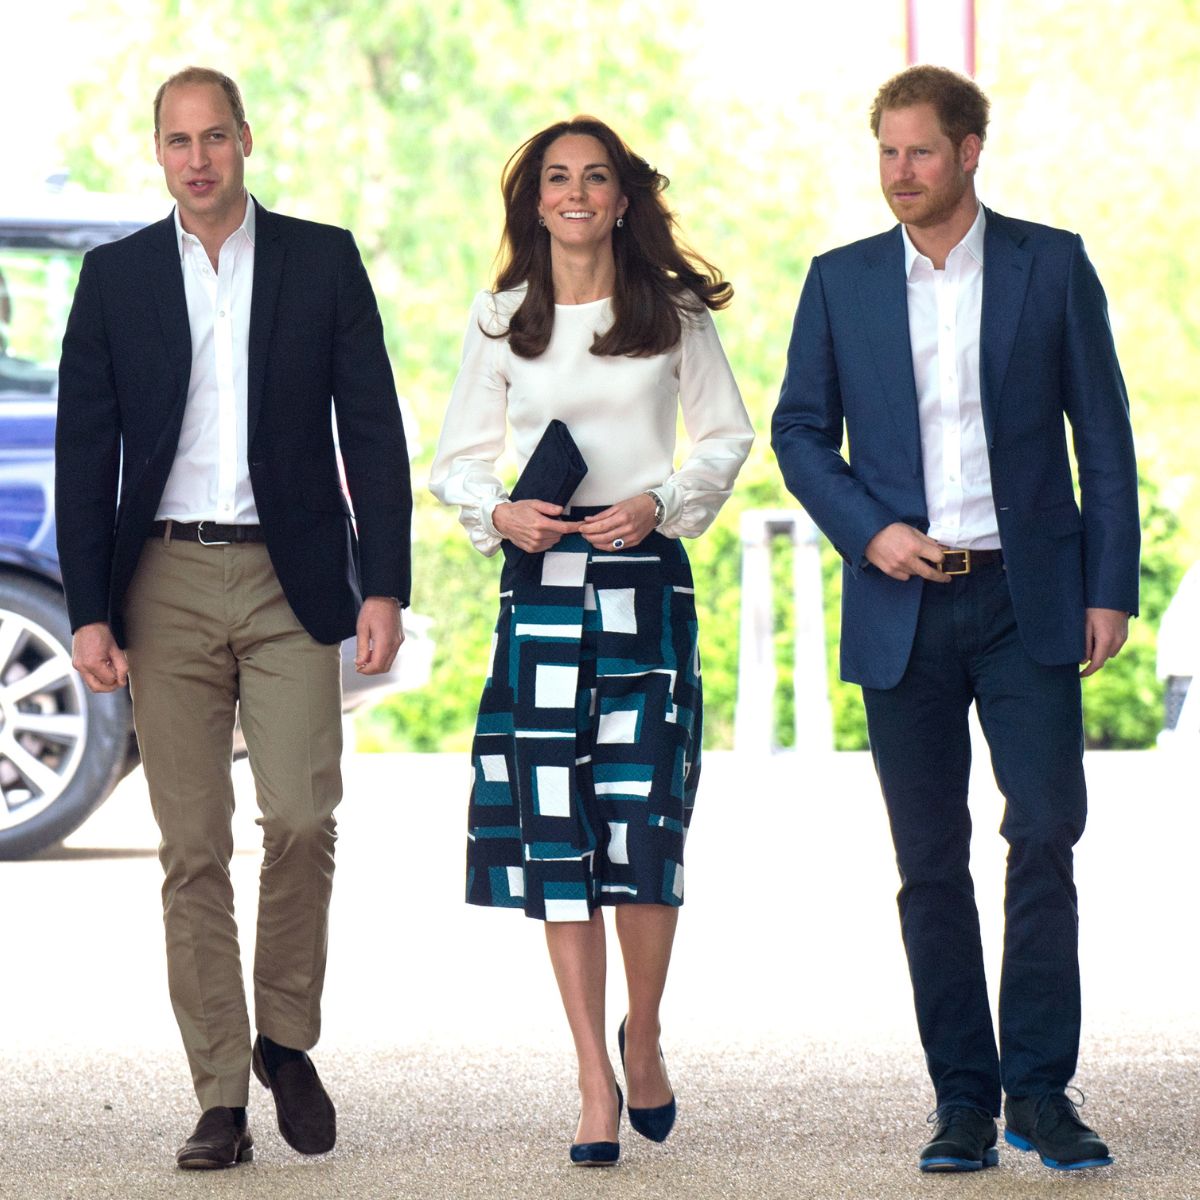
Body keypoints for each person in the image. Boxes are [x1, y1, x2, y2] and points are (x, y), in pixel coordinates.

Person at [771, 65, 1139, 1175]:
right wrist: (869, 530)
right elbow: (798, 434)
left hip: (1027, 595)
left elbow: (1104, 438)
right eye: (886, 153)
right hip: (904, 605)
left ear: (970, 150)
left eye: (919, 152)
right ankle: (964, 1101)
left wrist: (1108, 585)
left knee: (1043, 834)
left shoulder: (1050, 264)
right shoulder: (840, 282)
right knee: (928, 861)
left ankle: (1040, 1089)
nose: (899, 174)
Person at [55, 67, 412, 1169]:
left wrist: (384, 584)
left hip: (293, 576)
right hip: (159, 582)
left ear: (246, 141)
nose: (198, 159)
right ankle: (220, 1093)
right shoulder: (113, 279)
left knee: (304, 820)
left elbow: (374, 431)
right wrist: (87, 613)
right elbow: (85, 451)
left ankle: (284, 1037)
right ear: (157, 152)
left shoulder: (321, 259)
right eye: (178, 141)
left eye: (215, 137)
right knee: (192, 847)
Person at [430, 116, 753, 1166]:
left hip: (644, 591)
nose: (574, 193)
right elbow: (455, 463)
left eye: (594, 177)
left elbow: (730, 436)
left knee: (644, 832)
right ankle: (590, 1079)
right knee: (558, 833)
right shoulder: (500, 319)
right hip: (543, 595)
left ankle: (644, 1036)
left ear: (622, 198)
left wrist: (661, 501)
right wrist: (500, 515)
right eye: (555, 179)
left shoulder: (676, 314)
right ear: (535, 202)